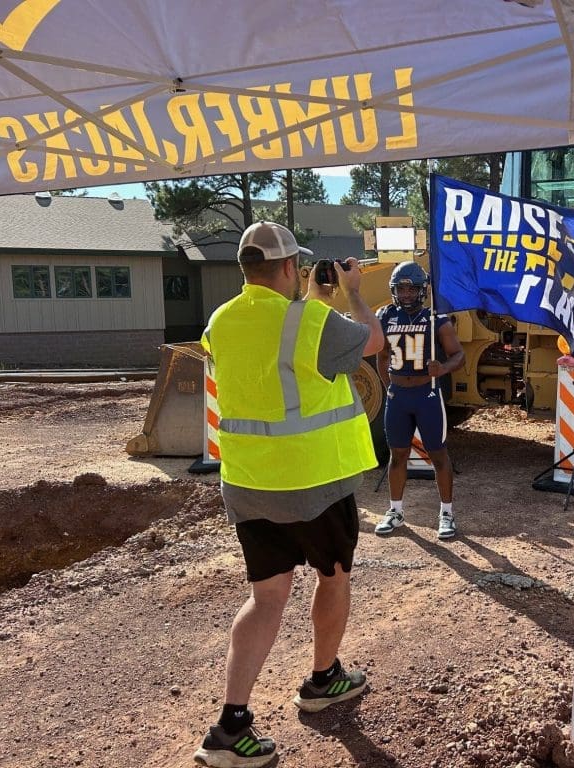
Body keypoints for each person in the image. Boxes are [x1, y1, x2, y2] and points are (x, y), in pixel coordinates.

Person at [194, 222, 384, 768]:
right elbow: (370, 341)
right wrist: (350, 293)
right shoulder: (312, 320)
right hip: (314, 483)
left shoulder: (219, 321)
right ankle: (324, 678)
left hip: (251, 484)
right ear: (286, 268)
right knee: (333, 575)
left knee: (266, 598)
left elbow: (278, 358)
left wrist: (314, 302)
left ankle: (231, 726)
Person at [373, 261, 465, 540]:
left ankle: (446, 513)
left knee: (438, 454)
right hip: (399, 396)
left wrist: (444, 369)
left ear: (422, 290)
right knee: (397, 455)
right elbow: (381, 356)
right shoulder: (385, 316)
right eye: (401, 289)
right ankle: (395, 511)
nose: (406, 294)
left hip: (427, 394)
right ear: (394, 290)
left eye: (412, 289)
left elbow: (459, 355)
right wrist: (390, 387)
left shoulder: (436, 318)